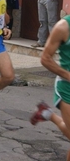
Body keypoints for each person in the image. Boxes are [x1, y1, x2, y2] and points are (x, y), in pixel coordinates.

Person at [30, 14, 70, 161]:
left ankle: (47, 113)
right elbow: (45, 58)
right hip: (67, 89)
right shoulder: (63, 27)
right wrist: (68, 75)